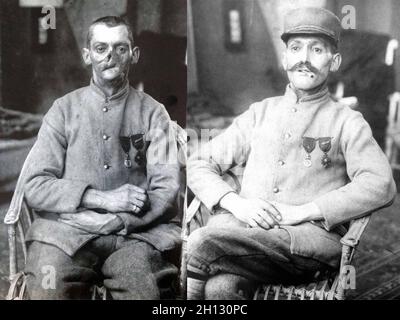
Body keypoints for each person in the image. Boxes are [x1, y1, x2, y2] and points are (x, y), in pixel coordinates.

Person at [186, 7, 396, 300]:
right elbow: (199, 162)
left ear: (334, 61)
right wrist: (236, 204)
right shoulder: (260, 113)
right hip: (244, 238)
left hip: (305, 245)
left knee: (201, 242)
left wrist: (304, 211)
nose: (304, 59)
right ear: (285, 58)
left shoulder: (347, 121)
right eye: (295, 48)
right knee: (220, 288)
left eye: (317, 49)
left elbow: (381, 183)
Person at [20, 16, 181, 299]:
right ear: (87, 55)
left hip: (135, 238)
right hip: (64, 235)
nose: (110, 57)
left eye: (120, 48)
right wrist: (100, 199)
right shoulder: (62, 110)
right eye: (100, 48)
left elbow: (166, 190)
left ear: (134, 54)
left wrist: (117, 221)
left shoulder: (154, 113)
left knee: (145, 291)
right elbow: (35, 185)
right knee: (47, 288)